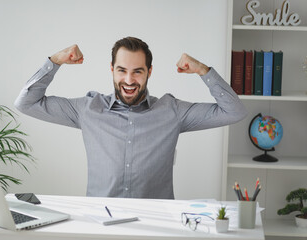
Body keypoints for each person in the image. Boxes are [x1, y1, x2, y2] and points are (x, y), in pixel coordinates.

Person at [15, 37, 247, 199]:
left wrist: (202, 70)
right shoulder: (88, 109)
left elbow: (234, 111)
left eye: (137, 71)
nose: (129, 80)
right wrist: (55, 61)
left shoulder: (172, 111)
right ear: (112, 69)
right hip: (100, 225)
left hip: (155, 227)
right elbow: (26, 103)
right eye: (122, 70)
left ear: (149, 72)